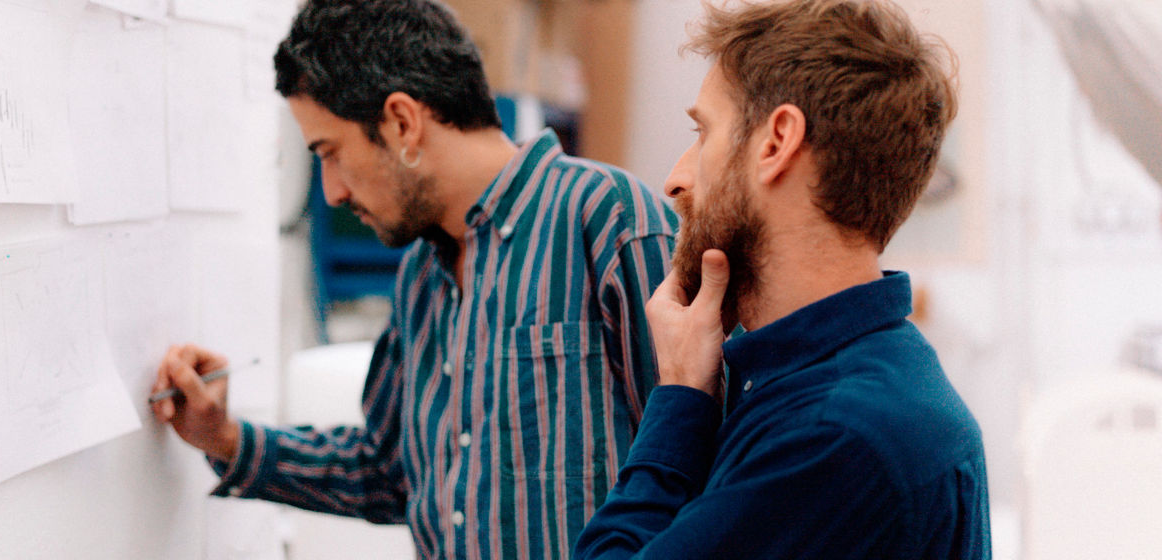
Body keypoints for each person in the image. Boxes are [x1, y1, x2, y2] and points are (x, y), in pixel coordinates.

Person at [150, 0, 678, 557]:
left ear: (402, 122)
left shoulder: (609, 219)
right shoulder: (421, 276)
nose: (332, 192)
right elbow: (390, 471)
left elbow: (701, 460)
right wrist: (226, 438)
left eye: (330, 153)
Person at [574, 0, 990, 558]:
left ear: (775, 143)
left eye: (703, 133)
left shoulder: (831, 436)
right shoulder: (868, 380)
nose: (674, 181)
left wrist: (678, 398)